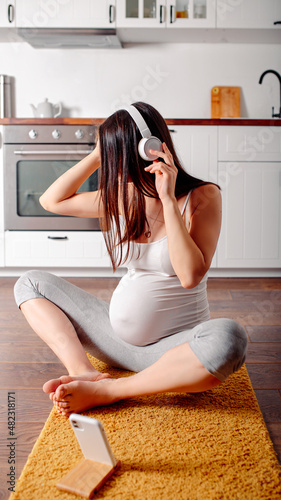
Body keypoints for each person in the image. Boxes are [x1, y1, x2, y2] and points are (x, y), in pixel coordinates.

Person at [14, 102, 248, 417]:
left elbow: (190, 274)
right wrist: (98, 154)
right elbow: (52, 201)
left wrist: (167, 198)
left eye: (115, 157)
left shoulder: (203, 197)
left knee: (229, 338)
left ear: (149, 149)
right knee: (29, 283)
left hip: (172, 352)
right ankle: (84, 373)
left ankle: (109, 391)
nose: (113, 167)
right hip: (115, 341)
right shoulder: (127, 196)